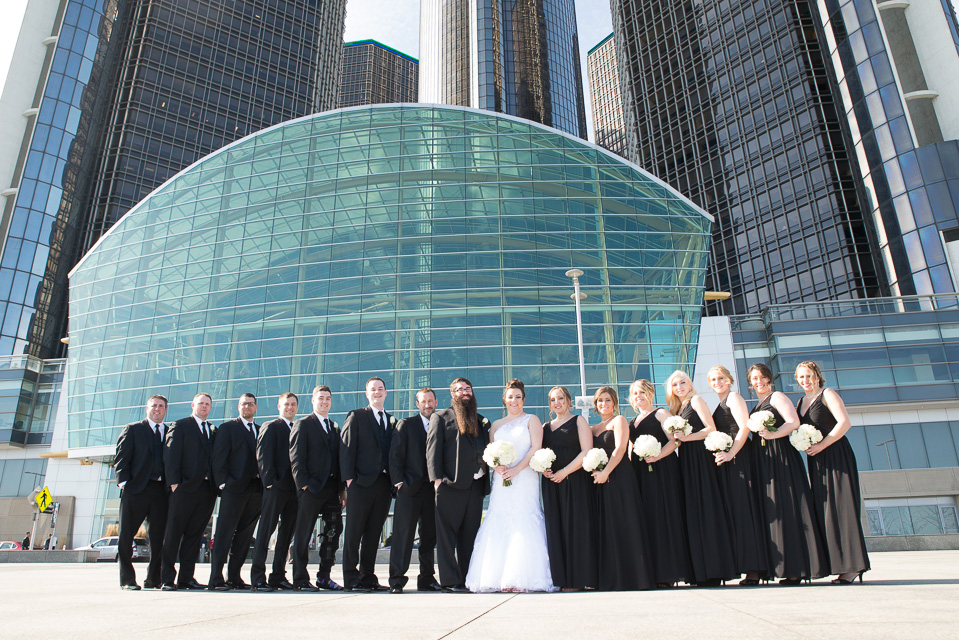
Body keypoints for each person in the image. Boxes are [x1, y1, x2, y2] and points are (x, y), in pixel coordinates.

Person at [465, 379, 554, 593]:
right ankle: (495, 577)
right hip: (502, 481)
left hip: (525, 478)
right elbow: (489, 454)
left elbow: (535, 448)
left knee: (524, 518)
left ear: (523, 400)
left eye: (518, 397)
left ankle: (523, 577)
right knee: (500, 519)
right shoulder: (495, 425)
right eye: (510, 397)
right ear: (504, 399)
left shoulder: (531, 420)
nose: (514, 400)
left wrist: (516, 470)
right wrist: (499, 469)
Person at [748, 363, 828, 584]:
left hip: (781, 457)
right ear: (750, 383)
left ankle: (796, 568)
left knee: (789, 508)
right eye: (755, 379)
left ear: (769, 378)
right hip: (764, 461)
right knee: (775, 513)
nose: (759, 382)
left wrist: (772, 435)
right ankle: (780, 567)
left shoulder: (777, 397)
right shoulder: (757, 405)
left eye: (762, 377)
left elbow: (793, 422)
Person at [796, 361, 870, 584]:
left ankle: (854, 566)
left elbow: (844, 423)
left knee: (843, 508)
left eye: (808, 376)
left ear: (817, 376)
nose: (805, 380)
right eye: (801, 377)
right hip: (817, 460)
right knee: (826, 510)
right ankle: (838, 564)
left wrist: (822, 445)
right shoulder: (800, 401)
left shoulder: (827, 394)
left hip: (836, 454)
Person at [667, 370, 737, 586]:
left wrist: (687, 438)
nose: (680, 386)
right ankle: (699, 571)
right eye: (675, 384)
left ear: (690, 384)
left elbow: (710, 429)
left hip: (699, 458)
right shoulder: (677, 408)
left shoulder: (696, 400)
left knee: (706, 509)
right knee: (692, 512)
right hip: (686, 460)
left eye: (683, 382)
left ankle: (714, 570)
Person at [426, 377, 490, 593]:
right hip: (449, 485)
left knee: (470, 535)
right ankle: (450, 581)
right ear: (452, 394)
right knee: (446, 537)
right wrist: (436, 481)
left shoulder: (482, 420)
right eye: (459, 389)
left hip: (476, 486)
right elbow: (432, 450)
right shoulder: (440, 417)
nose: (464, 392)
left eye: (468, 388)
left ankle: (467, 579)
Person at [628, 379, 692, 588]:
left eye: (642, 392)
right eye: (635, 393)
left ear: (651, 393)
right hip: (641, 473)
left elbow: (675, 440)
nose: (639, 396)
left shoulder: (661, 414)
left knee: (663, 517)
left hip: (661, 470)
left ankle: (669, 573)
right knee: (648, 520)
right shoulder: (634, 420)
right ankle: (653, 571)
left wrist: (657, 456)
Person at [708, 366, 768, 586]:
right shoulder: (720, 402)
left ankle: (754, 568)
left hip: (739, 457)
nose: (717, 382)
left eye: (721, 378)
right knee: (735, 511)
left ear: (729, 379)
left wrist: (732, 452)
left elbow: (744, 428)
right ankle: (743, 565)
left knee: (745, 511)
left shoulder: (734, 397)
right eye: (713, 379)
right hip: (727, 460)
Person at [591, 386, 655, 591]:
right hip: (601, 480)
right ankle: (612, 577)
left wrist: (606, 472)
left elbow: (619, 449)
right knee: (608, 525)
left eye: (607, 400)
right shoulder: (593, 429)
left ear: (615, 403)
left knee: (625, 522)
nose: (604, 404)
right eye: (600, 401)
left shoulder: (619, 421)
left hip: (619, 476)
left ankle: (634, 577)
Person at [340, 376, 394, 592]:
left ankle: (368, 576)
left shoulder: (391, 420)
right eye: (373, 389)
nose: (377, 392)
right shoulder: (356, 416)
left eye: (381, 389)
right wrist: (349, 480)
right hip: (360, 483)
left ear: (386, 393)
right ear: (367, 393)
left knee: (374, 533)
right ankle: (351, 578)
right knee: (354, 532)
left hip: (383, 484)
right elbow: (346, 448)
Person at [540, 385, 596, 591]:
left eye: (561, 398)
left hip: (574, 480)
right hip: (551, 483)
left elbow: (587, 451)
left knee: (576, 527)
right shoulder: (545, 427)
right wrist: (543, 469)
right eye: (553, 400)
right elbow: (539, 453)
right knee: (556, 528)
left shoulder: (578, 420)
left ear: (569, 400)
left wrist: (565, 471)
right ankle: (562, 579)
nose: (557, 403)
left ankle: (578, 578)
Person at [290, 385, 345, 592]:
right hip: (310, 489)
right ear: (313, 401)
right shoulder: (303, 424)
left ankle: (324, 576)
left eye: (328, 398)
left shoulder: (334, 427)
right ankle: (300, 578)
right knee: (303, 534)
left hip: (331, 490)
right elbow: (296, 458)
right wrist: (303, 484)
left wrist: (341, 489)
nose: (325, 402)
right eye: (321, 398)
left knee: (333, 533)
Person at [161, 392, 217, 591]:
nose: (204, 407)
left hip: (206, 491)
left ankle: (187, 578)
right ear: (193, 405)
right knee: (173, 534)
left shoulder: (212, 429)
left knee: (194, 536)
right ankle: (167, 578)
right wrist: (174, 483)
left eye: (207, 404)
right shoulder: (181, 425)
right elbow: (171, 454)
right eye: (201, 403)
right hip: (183, 489)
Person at [388, 387, 441, 593]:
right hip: (409, 489)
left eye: (430, 401)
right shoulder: (406, 425)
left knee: (429, 538)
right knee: (403, 536)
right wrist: (399, 482)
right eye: (423, 401)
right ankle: (397, 580)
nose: (427, 405)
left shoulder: (442, 424)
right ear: (417, 404)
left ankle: (427, 579)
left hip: (432, 491)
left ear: (436, 402)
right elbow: (395, 456)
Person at [114, 394, 170, 590]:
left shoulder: (171, 431)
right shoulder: (133, 429)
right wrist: (124, 483)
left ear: (165, 410)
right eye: (154, 406)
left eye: (161, 406)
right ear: (147, 409)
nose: (157, 409)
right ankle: (127, 580)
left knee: (158, 539)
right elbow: (121, 459)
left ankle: (154, 579)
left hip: (161, 492)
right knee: (126, 536)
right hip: (136, 489)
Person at [208, 393, 263, 591]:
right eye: (243, 404)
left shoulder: (259, 430)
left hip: (256, 491)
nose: (247, 407)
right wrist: (223, 483)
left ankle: (234, 577)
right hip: (234, 489)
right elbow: (219, 457)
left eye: (250, 404)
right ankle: (216, 578)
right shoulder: (228, 428)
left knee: (244, 537)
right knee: (224, 534)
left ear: (256, 407)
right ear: (238, 407)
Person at [250, 392, 299, 591]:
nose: (290, 407)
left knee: (286, 535)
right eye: (286, 404)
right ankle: (258, 577)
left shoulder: (298, 427)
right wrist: (269, 482)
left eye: (293, 404)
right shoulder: (271, 426)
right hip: (275, 488)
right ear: (279, 406)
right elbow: (263, 456)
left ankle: (278, 575)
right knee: (265, 533)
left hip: (294, 490)